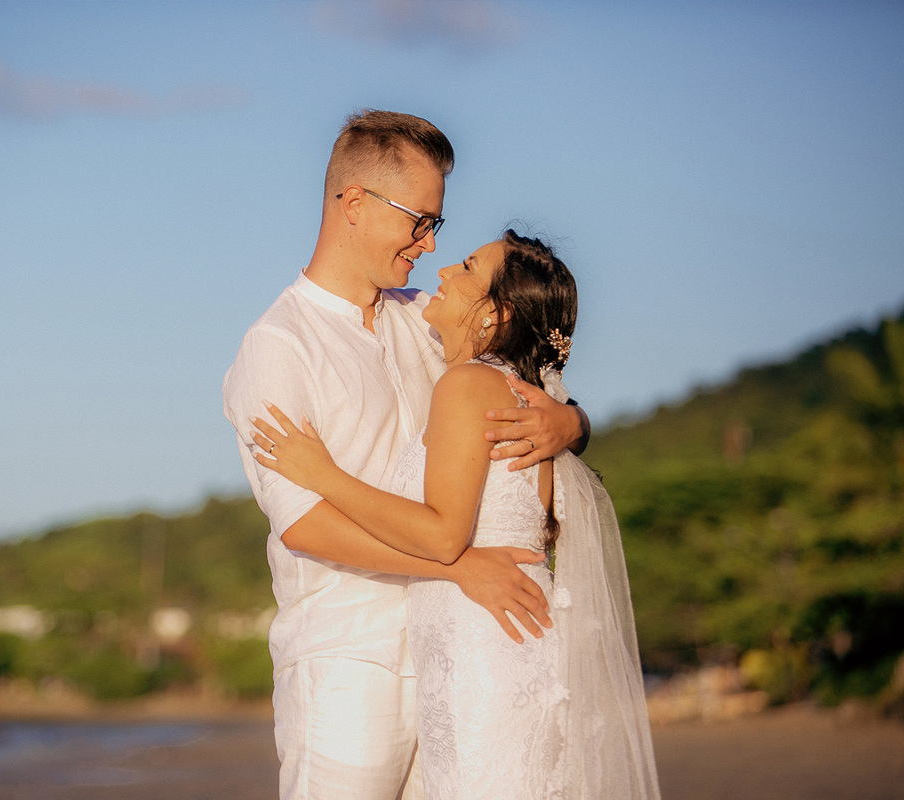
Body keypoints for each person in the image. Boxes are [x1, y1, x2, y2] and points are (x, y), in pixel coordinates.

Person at [222, 110, 588, 800]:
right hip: (348, 662)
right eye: (419, 220)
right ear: (354, 204)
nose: (427, 243)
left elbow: (524, 375)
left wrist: (572, 422)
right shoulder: (279, 346)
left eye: (436, 225)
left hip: (455, 652)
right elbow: (306, 524)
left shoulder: (426, 319)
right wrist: (458, 564)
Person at [251, 231, 660, 800]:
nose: (441, 268)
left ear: (496, 314)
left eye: (466, 265)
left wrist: (323, 475)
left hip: (484, 643)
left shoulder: (468, 384)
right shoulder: (513, 387)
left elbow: (444, 535)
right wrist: (573, 422)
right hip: (500, 629)